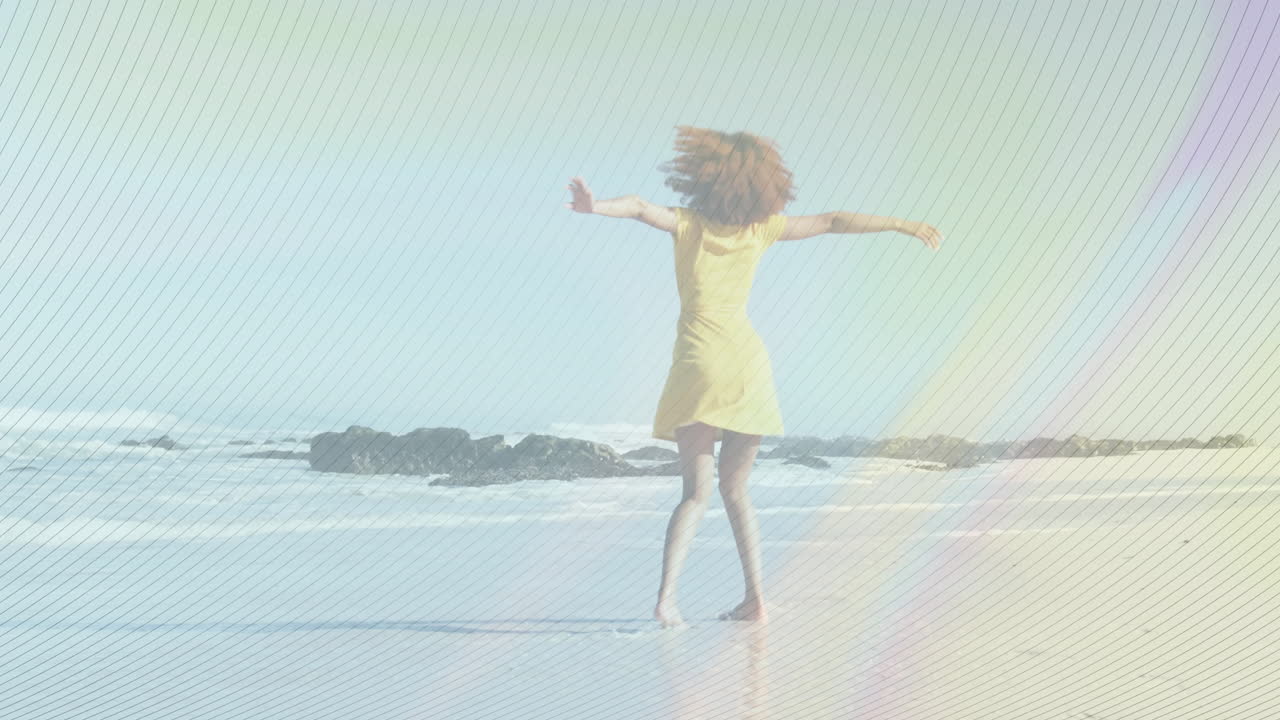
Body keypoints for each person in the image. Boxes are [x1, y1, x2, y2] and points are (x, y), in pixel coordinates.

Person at [565, 126, 942, 627]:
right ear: (764, 183)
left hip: (700, 364)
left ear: (704, 177)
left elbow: (636, 205)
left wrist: (594, 208)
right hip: (748, 366)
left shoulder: (689, 224)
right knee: (737, 490)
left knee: (695, 494)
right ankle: (756, 599)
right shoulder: (761, 230)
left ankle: (667, 600)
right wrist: (901, 223)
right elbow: (832, 220)